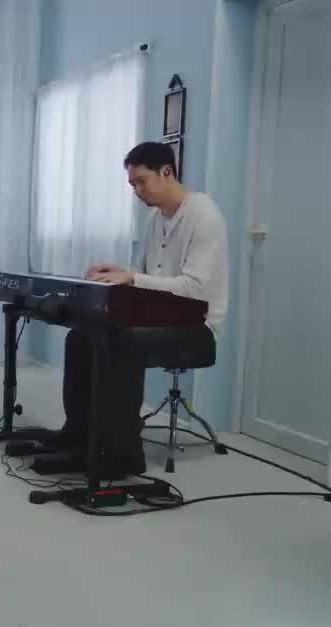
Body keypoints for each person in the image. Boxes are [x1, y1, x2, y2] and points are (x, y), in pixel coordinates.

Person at [56, 141, 228, 474]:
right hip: (159, 317)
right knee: (81, 336)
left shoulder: (204, 216)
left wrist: (132, 277)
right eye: (132, 184)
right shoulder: (155, 219)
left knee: (118, 342)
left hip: (197, 328)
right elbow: (145, 277)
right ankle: (79, 435)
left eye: (141, 181)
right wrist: (119, 273)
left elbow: (195, 289)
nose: (136, 190)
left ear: (167, 172)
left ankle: (120, 454)